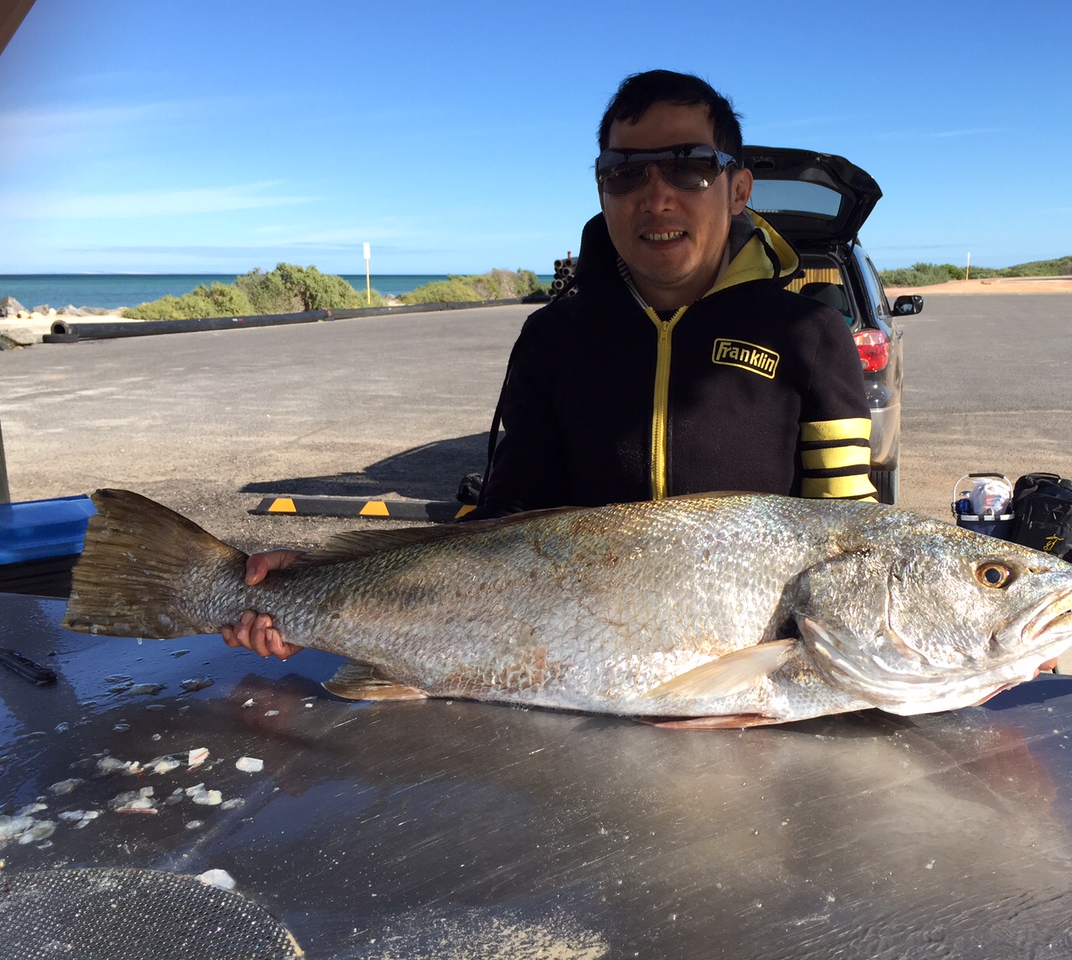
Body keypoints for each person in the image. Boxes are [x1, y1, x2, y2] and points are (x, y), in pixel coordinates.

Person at [223, 69, 875, 660]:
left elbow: (853, 538)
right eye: (626, 172)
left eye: (688, 167)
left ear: (738, 189)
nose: (656, 197)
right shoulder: (555, 336)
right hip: (565, 665)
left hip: (747, 669)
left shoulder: (808, 333)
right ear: (602, 187)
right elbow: (504, 523)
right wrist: (310, 582)